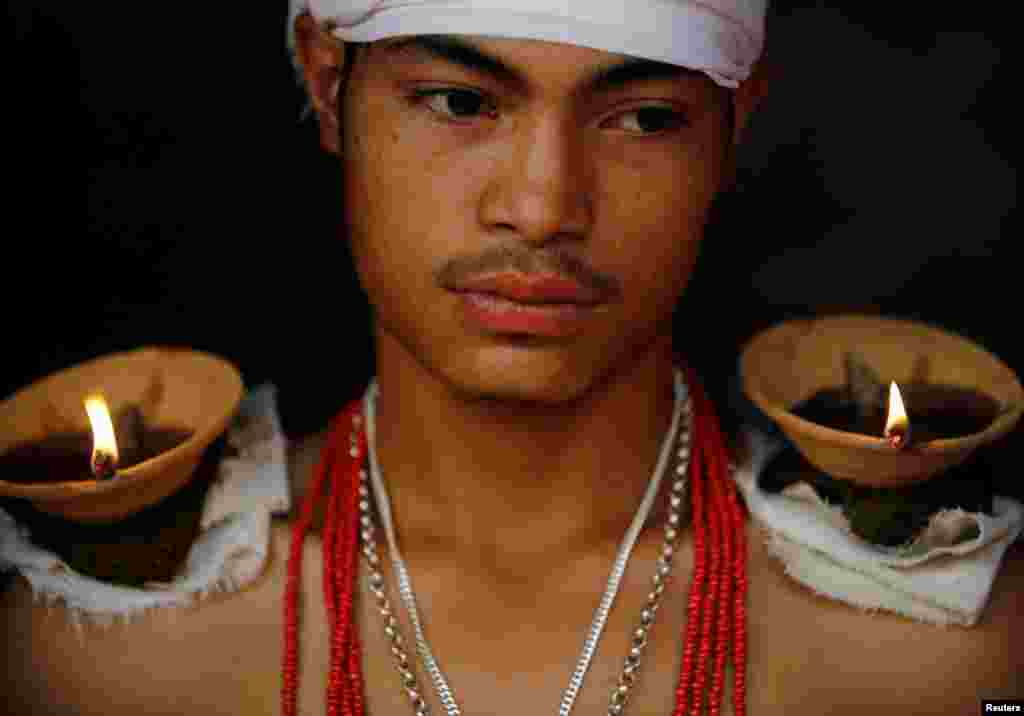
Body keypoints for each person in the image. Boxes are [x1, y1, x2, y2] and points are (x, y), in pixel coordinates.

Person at [2, 2, 1022, 715]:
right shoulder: (94, 659)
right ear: (326, 82)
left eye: (645, 117)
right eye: (459, 101)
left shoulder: (948, 656)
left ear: (732, 127)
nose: (541, 207)